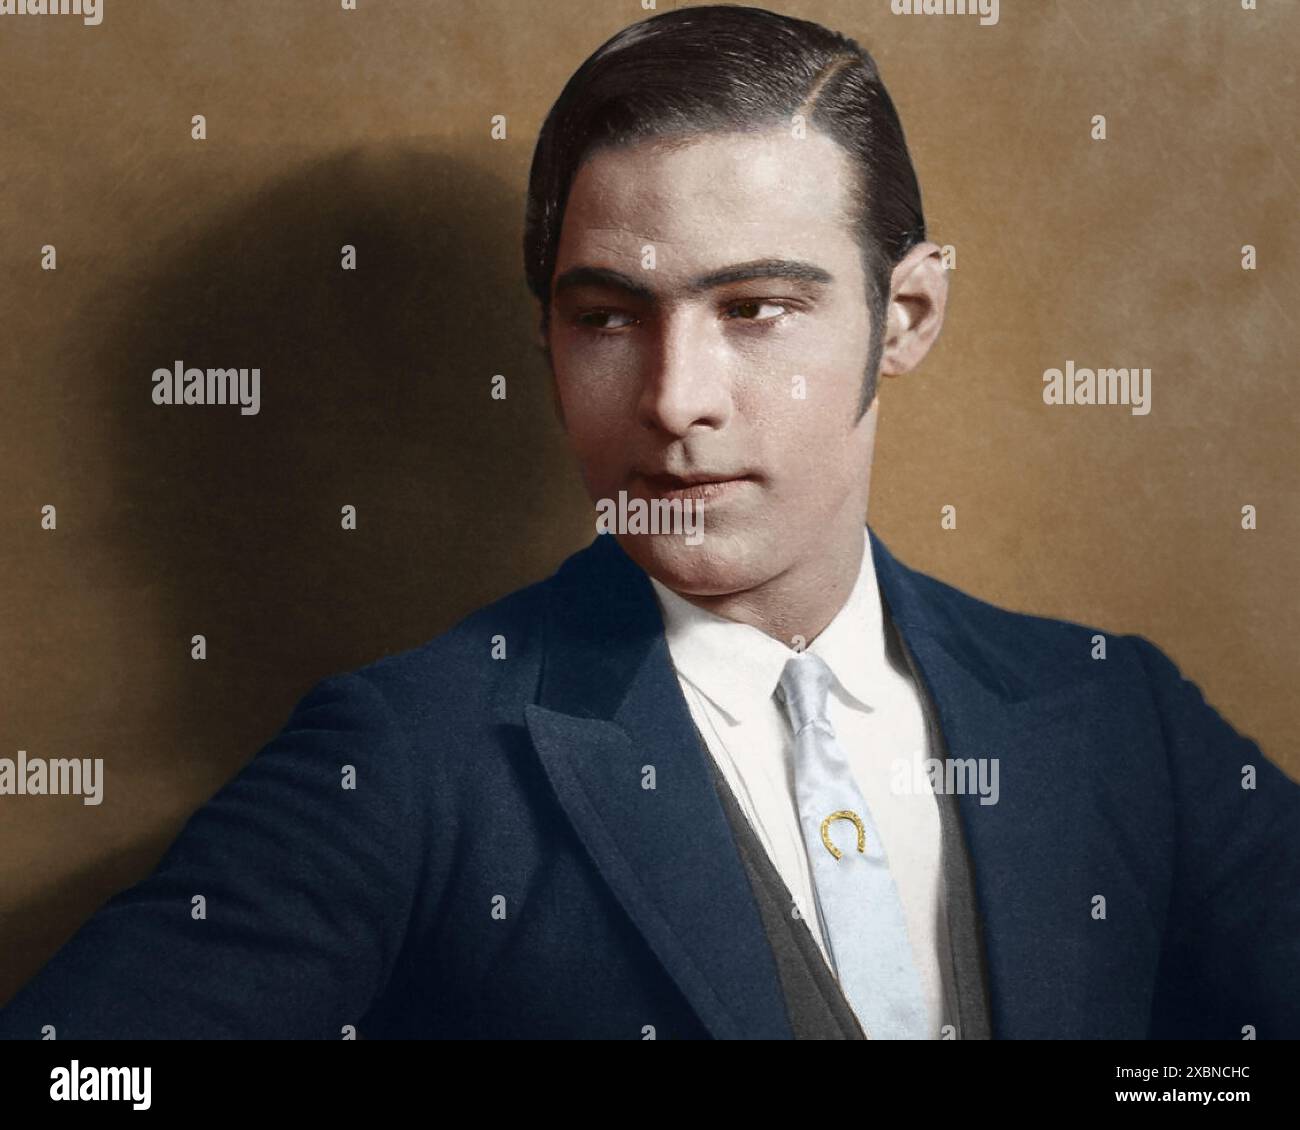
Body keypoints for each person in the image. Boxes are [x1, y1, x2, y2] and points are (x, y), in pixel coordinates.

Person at [2, 4, 1296, 1041]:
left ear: (904, 317)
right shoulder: (407, 755)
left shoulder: (1115, 712)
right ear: (548, 338)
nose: (675, 402)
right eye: (608, 315)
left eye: (757, 308)